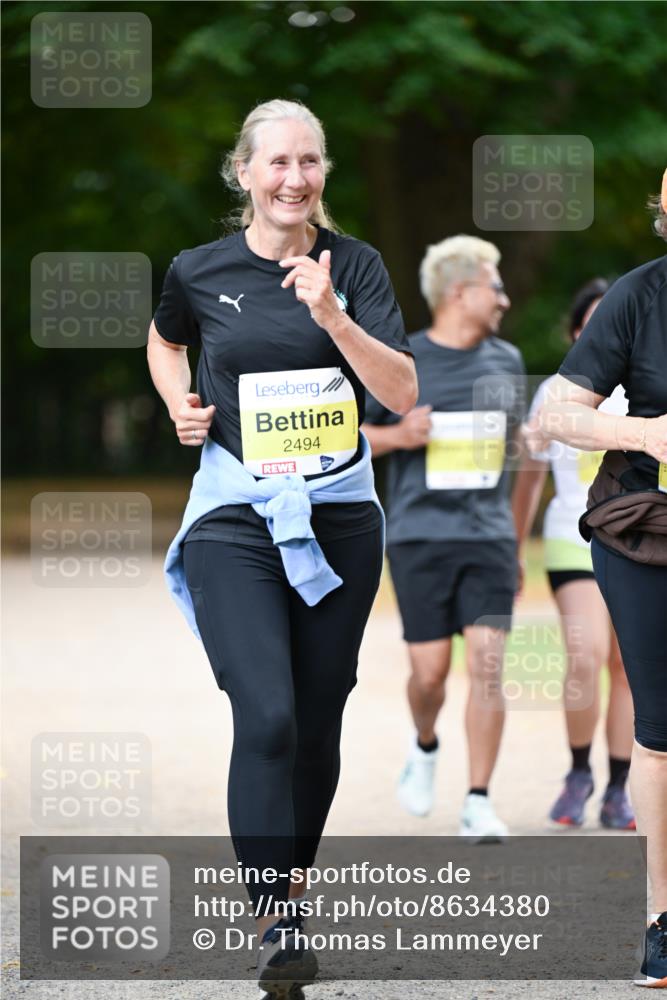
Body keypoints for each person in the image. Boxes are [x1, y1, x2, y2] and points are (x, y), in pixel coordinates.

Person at [147, 98, 417, 997]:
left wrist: (335, 315)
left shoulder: (359, 266)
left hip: (338, 516)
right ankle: (273, 918)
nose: (294, 178)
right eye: (277, 163)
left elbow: (400, 392)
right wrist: (179, 402)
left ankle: (291, 887)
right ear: (244, 173)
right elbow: (164, 339)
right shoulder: (198, 267)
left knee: (317, 712)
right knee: (265, 713)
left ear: (323, 172)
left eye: (310, 162)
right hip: (235, 514)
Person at [538, 172, 667, 988]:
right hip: (646, 536)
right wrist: (645, 429)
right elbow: (556, 410)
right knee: (659, 725)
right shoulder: (638, 297)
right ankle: (662, 916)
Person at [362, 235, 526, 842]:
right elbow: (347, 436)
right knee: (429, 675)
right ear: (460, 292)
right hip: (418, 535)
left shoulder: (507, 361)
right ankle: (424, 743)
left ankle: (479, 799)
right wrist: (400, 436)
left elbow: (513, 457)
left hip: (485, 537)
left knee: (487, 666)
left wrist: (511, 539)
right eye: (495, 285)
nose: (504, 298)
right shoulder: (403, 361)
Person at [512, 278, 636, 830]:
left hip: (636, 538)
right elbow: (530, 475)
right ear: (575, 333)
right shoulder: (556, 393)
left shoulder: (645, 386)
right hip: (571, 536)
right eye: (588, 324)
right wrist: (514, 547)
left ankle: (619, 786)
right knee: (585, 656)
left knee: (626, 666)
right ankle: (578, 772)